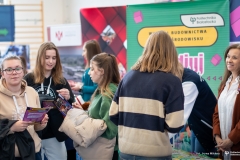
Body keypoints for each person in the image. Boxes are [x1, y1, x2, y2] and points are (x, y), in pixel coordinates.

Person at [109, 30, 184, 160]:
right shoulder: (172, 81)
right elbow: (174, 126)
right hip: (155, 153)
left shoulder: (127, 77)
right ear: (171, 52)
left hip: (126, 151)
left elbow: (113, 115)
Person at [24, 42, 75, 160]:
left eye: (53, 58)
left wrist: (67, 98)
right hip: (34, 131)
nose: (50, 61)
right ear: (40, 58)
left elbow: (69, 109)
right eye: (47, 57)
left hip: (55, 133)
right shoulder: (29, 79)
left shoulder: (61, 81)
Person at [73, 52, 120, 160]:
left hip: (104, 151)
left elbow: (110, 130)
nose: (89, 73)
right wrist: (86, 112)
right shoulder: (102, 90)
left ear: (102, 71)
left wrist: (88, 126)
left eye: (92, 69)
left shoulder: (107, 95)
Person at [0, 55, 48, 160]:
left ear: (23, 71)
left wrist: (42, 123)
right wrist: (10, 128)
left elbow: (36, 127)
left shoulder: (32, 92)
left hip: (34, 152)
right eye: (9, 69)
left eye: (17, 68)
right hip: (8, 155)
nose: (14, 72)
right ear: (2, 73)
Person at [174, 68, 217, 155]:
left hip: (207, 128)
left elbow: (180, 113)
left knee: (202, 156)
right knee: (194, 155)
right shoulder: (186, 75)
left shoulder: (190, 82)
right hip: (195, 126)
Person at [213, 43, 240, 160]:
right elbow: (216, 113)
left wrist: (232, 139)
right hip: (223, 146)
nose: (229, 60)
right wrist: (217, 136)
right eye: (228, 56)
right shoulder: (224, 84)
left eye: (234, 57)